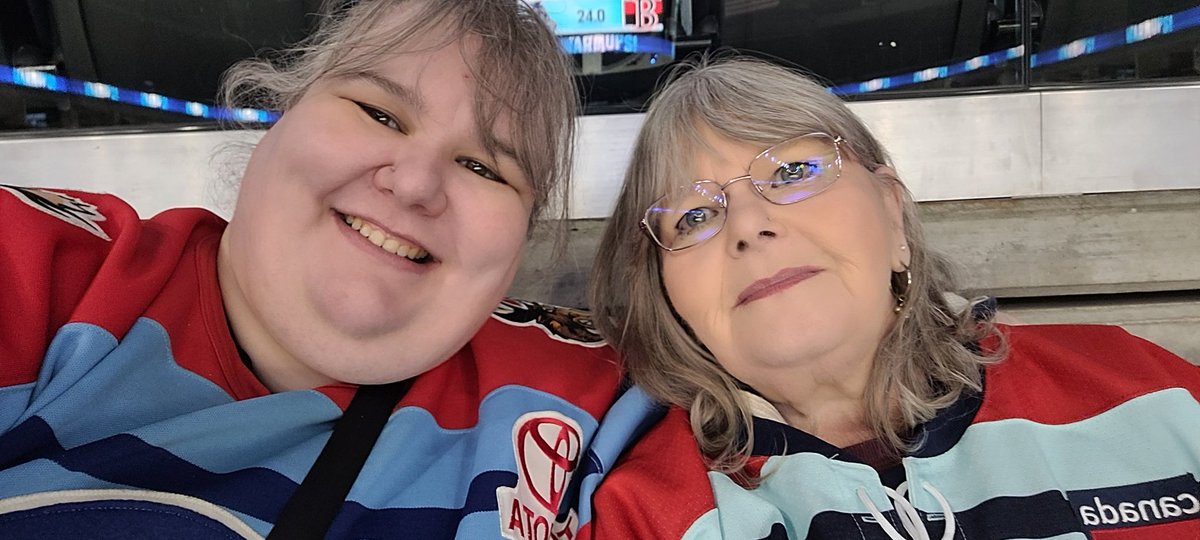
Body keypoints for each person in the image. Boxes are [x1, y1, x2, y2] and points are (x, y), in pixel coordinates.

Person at [0, 1, 623, 538]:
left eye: (484, 168)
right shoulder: (50, 271)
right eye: (379, 113)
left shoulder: (585, 406)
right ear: (279, 112)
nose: (413, 184)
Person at [579, 56, 1200, 539]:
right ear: (666, 300)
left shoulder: (1147, 392)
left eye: (793, 172)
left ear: (891, 213)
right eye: (693, 216)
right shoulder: (649, 514)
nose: (746, 225)